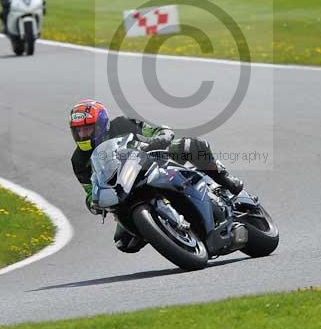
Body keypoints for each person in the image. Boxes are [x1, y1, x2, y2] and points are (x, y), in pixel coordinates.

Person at [68, 99, 244, 253]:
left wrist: (160, 138)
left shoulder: (122, 124)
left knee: (192, 145)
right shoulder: (78, 160)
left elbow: (157, 131)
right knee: (124, 243)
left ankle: (225, 180)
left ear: (100, 124)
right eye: (78, 131)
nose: (82, 135)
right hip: (124, 192)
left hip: (153, 164)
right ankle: (164, 230)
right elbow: (90, 189)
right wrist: (94, 203)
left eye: (88, 129)